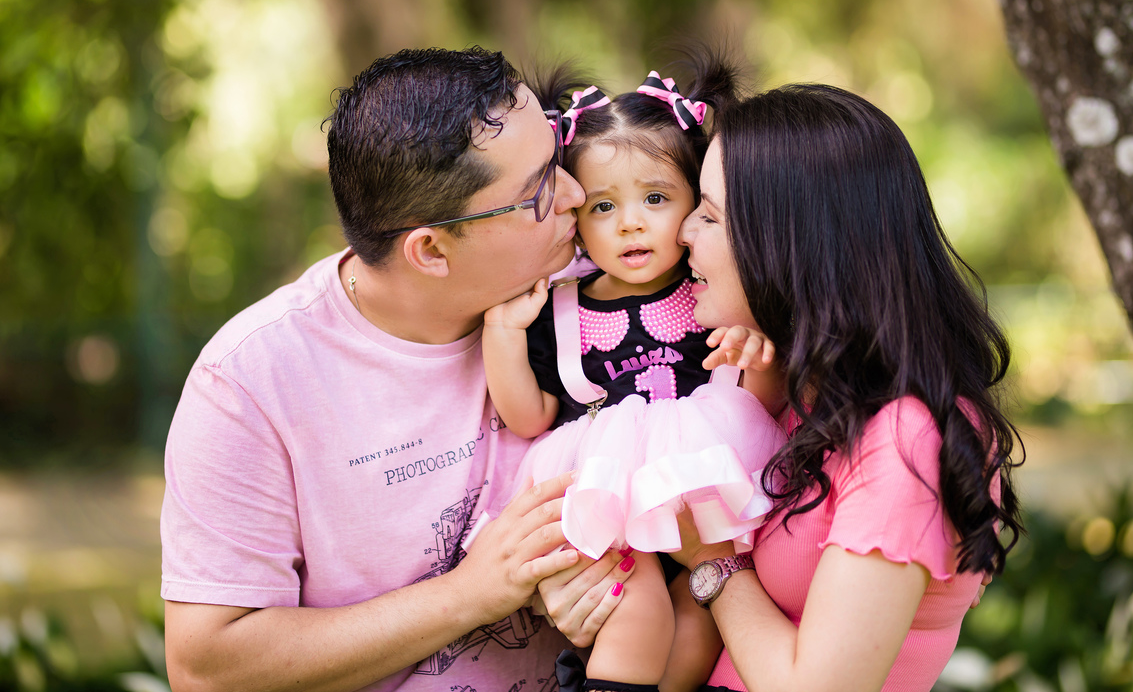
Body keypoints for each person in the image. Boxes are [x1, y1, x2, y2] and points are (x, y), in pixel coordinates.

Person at [158, 46, 634, 692]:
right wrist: (471, 593)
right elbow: (207, 667)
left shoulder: (607, 290)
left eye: (558, 156)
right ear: (431, 250)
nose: (578, 196)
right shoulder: (251, 382)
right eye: (542, 189)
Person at [672, 83, 1022, 692]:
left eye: (709, 213)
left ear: (789, 242)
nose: (682, 232)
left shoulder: (905, 437)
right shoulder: (805, 390)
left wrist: (713, 563)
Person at [480, 57, 786, 692]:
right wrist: (503, 336)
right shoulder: (561, 308)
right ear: (573, 214)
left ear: (695, 203)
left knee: (700, 622)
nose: (630, 223)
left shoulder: (713, 295)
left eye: (656, 199)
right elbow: (531, 416)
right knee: (633, 604)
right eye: (602, 206)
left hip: (699, 492)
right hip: (609, 489)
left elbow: (755, 412)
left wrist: (754, 351)